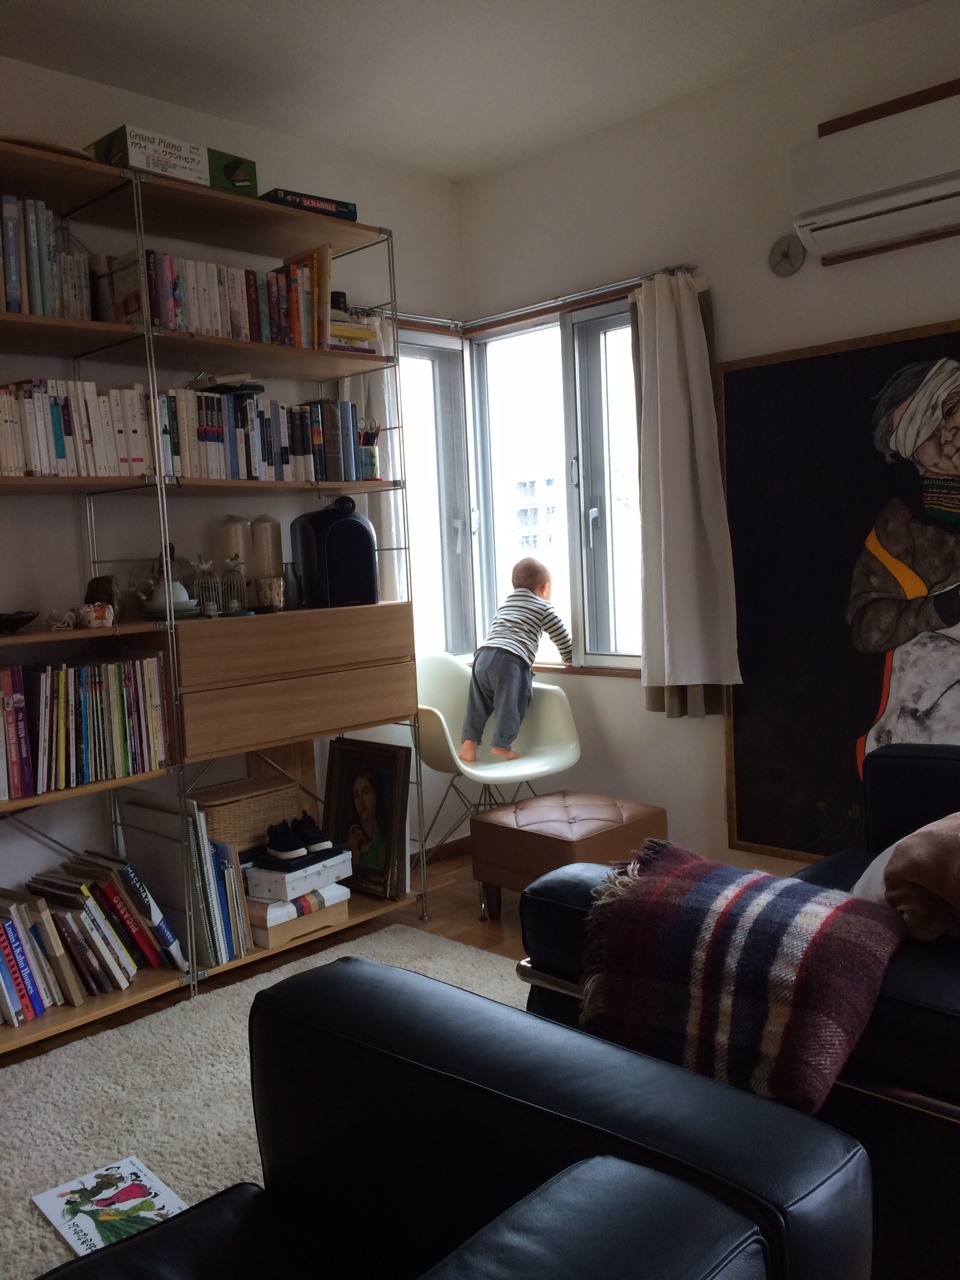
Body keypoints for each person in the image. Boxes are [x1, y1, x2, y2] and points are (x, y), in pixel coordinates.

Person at [846, 356, 960, 753]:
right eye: (925, 430)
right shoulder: (897, 526)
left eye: (951, 408)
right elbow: (867, 626)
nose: (948, 434)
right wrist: (940, 609)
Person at [460, 557, 573, 763]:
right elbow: (561, 634)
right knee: (513, 701)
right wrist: (569, 655)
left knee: (477, 703)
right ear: (545, 588)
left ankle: (469, 744)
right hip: (509, 659)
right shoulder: (543, 607)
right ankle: (501, 745)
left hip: (483, 656)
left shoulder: (505, 604)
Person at [347, 766, 387, 872]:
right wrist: (355, 856)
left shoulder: (386, 833)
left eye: (365, 792)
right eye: (356, 796)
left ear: (376, 793)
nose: (361, 802)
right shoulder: (351, 840)